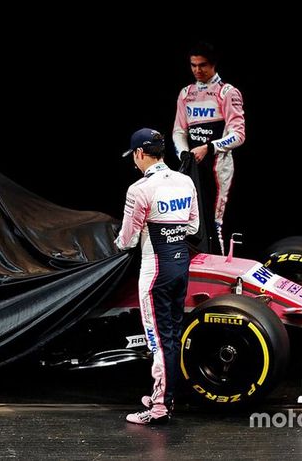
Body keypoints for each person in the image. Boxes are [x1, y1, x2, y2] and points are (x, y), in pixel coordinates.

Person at [115, 128, 199, 425]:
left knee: (159, 341)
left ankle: (160, 407)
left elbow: (127, 240)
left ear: (139, 154)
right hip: (180, 267)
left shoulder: (139, 189)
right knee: (172, 335)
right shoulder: (185, 181)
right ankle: (165, 395)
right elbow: (192, 227)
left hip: (155, 273)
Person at [173, 41, 245, 255]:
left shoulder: (228, 92)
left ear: (213, 64)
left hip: (217, 168)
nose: (197, 70)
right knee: (193, 221)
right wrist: (183, 153)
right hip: (193, 167)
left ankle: (222, 271)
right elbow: (179, 130)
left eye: (202, 65)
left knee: (216, 224)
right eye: (193, 65)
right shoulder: (186, 93)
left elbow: (239, 135)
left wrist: (209, 147)